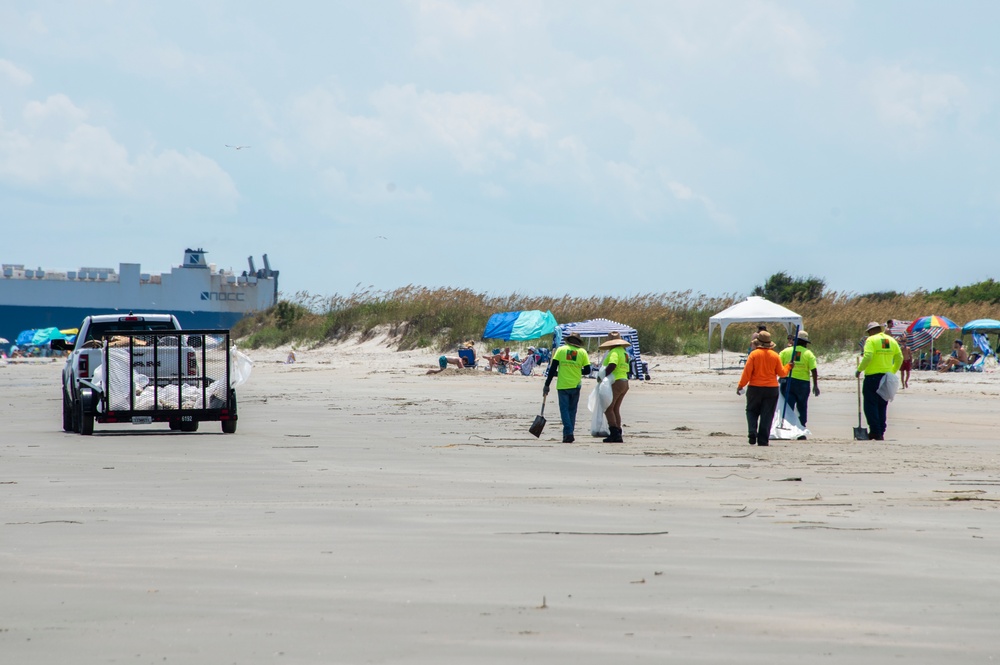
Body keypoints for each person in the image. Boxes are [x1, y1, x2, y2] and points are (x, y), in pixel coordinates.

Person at [737, 331, 792, 446]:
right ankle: (763, 440)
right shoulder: (775, 355)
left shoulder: (753, 354)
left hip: (754, 388)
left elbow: (747, 372)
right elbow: (782, 373)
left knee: (751, 411)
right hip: (771, 389)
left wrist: (741, 385)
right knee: (767, 415)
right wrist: (789, 366)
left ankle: (752, 431)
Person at [856, 321, 903, 441]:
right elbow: (899, 357)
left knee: (870, 405)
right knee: (882, 405)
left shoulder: (871, 340)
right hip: (886, 376)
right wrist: (892, 371)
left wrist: (859, 369)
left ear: (871, 331)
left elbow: (868, 356)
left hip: (872, 376)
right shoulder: (891, 340)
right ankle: (881, 430)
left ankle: (875, 431)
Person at [542, 333, 591, 443]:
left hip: (563, 385)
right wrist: (578, 371)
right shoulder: (582, 352)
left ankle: (568, 433)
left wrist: (547, 384)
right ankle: (569, 433)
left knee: (564, 410)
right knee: (572, 410)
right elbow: (588, 370)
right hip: (576, 385)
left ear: (568, 340)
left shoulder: (561, 350)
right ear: (578, 342)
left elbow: (552, 368)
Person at [777, 330, 820, 431]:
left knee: (788, 406)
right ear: (805, 343)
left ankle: (788, 426)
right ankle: (801, 427)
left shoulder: (785, 352)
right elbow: (813, 370)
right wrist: (815, 385)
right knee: (802, 406)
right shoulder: (809, 354)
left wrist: (780, 378)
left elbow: (778, 366)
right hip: (803, 384)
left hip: (788, 381)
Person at [598, 331, 631, 443]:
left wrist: (603, 376)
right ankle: (618, 430)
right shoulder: (624, 352)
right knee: (615, 408)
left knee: (608, 408)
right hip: (625, 382)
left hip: (616, 381)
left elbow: (612, 365)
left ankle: (614, 433)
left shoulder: (614, 352)